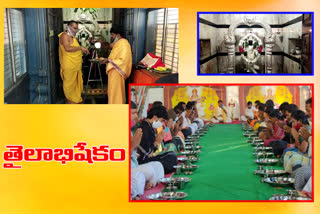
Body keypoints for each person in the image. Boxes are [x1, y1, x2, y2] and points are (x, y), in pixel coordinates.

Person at [58, 20, 89, 104]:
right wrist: (80, 48)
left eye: (76, 28)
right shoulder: (64, 36)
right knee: (69, 85)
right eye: (74, 28)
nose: (75, 30)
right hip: (68, 65)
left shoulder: (73, 37)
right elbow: (67, 48)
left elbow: (75, 48)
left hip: (75, 66)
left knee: (75, 85)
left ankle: (75, 101)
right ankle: (70, 102)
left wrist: (83, 49)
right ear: (68, 26)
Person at [101, 25, 132, 104]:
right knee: (112, 92)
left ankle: (117, 109)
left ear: (118, 35)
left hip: (117, 72)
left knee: (116, 93)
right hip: (113, 70)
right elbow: (113, 53)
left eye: (112, 35)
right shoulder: (118, 43)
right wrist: (107, 60)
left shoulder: (124, 44)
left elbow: (123, 60)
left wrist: (108, 60)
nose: (111, 37)